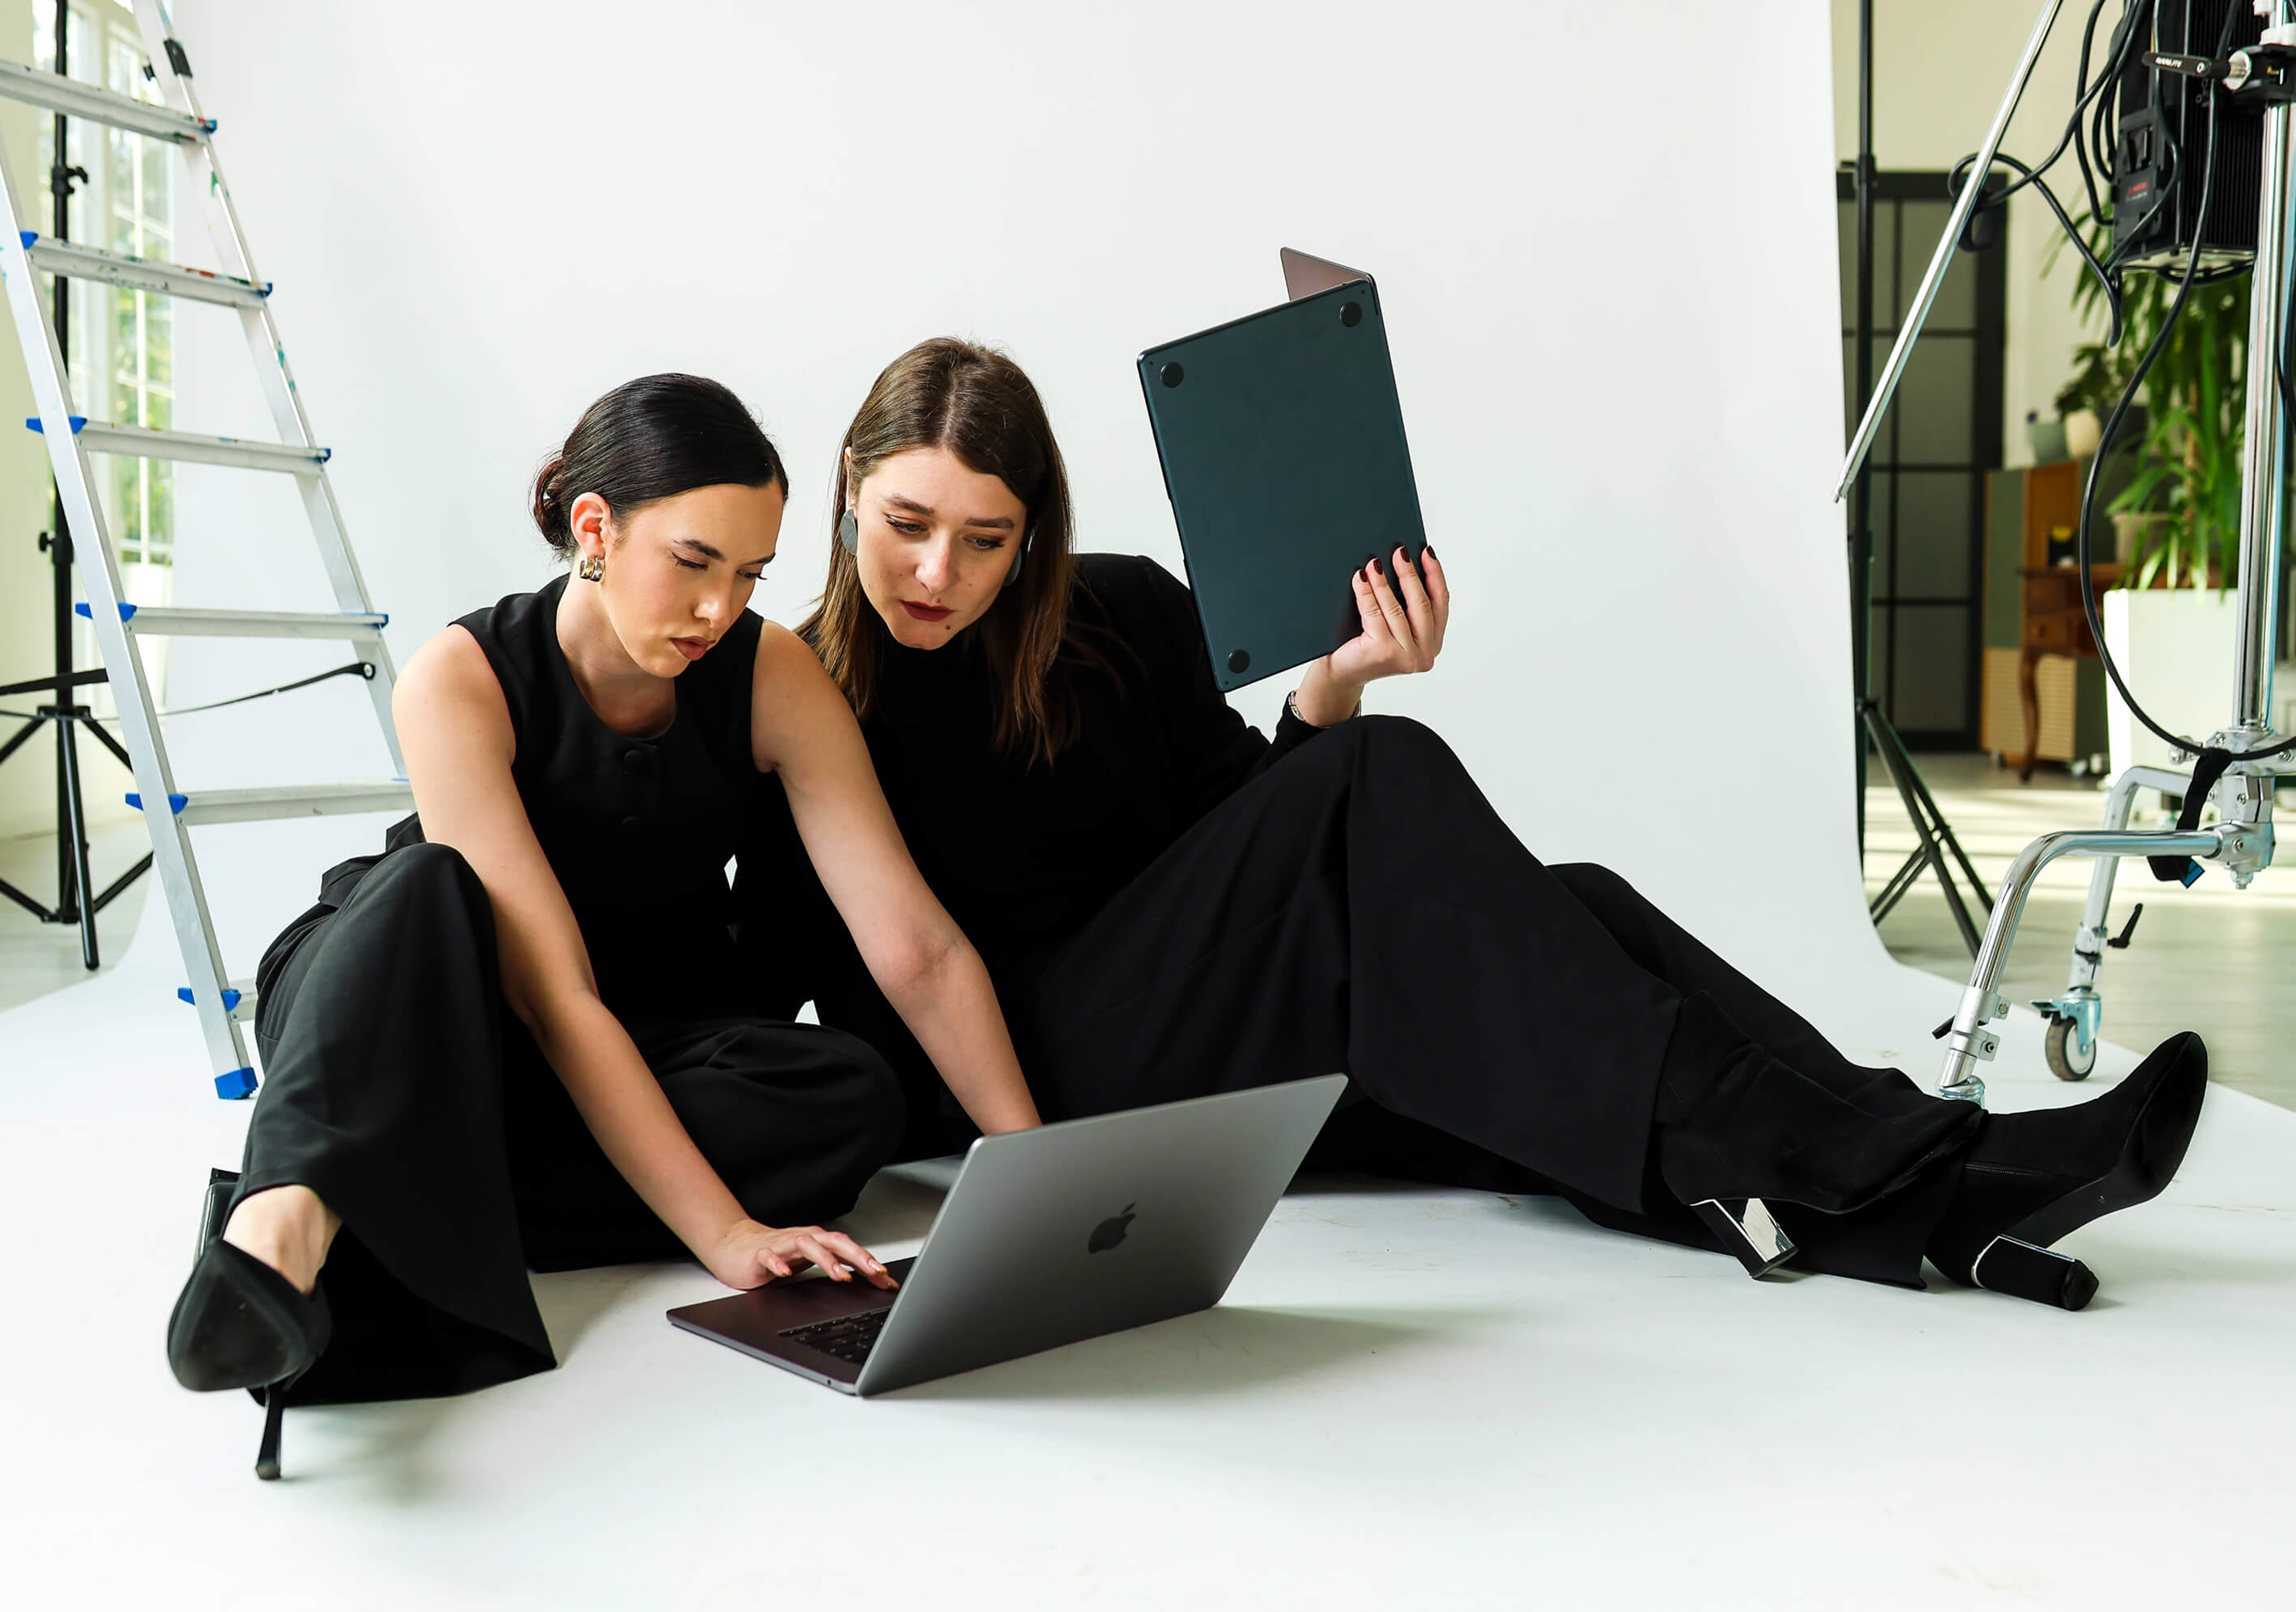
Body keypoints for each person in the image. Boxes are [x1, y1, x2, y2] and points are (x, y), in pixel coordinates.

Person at [735, 336, 2209, 1315]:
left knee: (1579, 909)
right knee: (1385, 793)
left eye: (985, 539)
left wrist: (1341, 681)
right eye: (906, 523)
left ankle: (1923, 1195)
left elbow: (1253, 830)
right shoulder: (802, 700)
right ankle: (1928, 1162)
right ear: (850, 492)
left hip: (1205, 1029)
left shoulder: (1119, 613)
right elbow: (847, 989)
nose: (938, 570)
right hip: (1033, 1083)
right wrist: (1026, 1176)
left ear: (1035, 532)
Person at [165, 374, 1041, 1479]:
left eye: (749, 573)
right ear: (595, 528)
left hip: (609, 1039)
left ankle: (396, 1188)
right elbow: (550, 994)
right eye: (693, 561)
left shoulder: (769, 670)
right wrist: (723, 1235)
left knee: (850, 1095)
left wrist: (1034, 1169)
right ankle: (281, 1224)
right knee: (434, 884)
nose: (720, 608)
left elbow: (912, 940)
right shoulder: (459, 677)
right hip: (412, 1003)